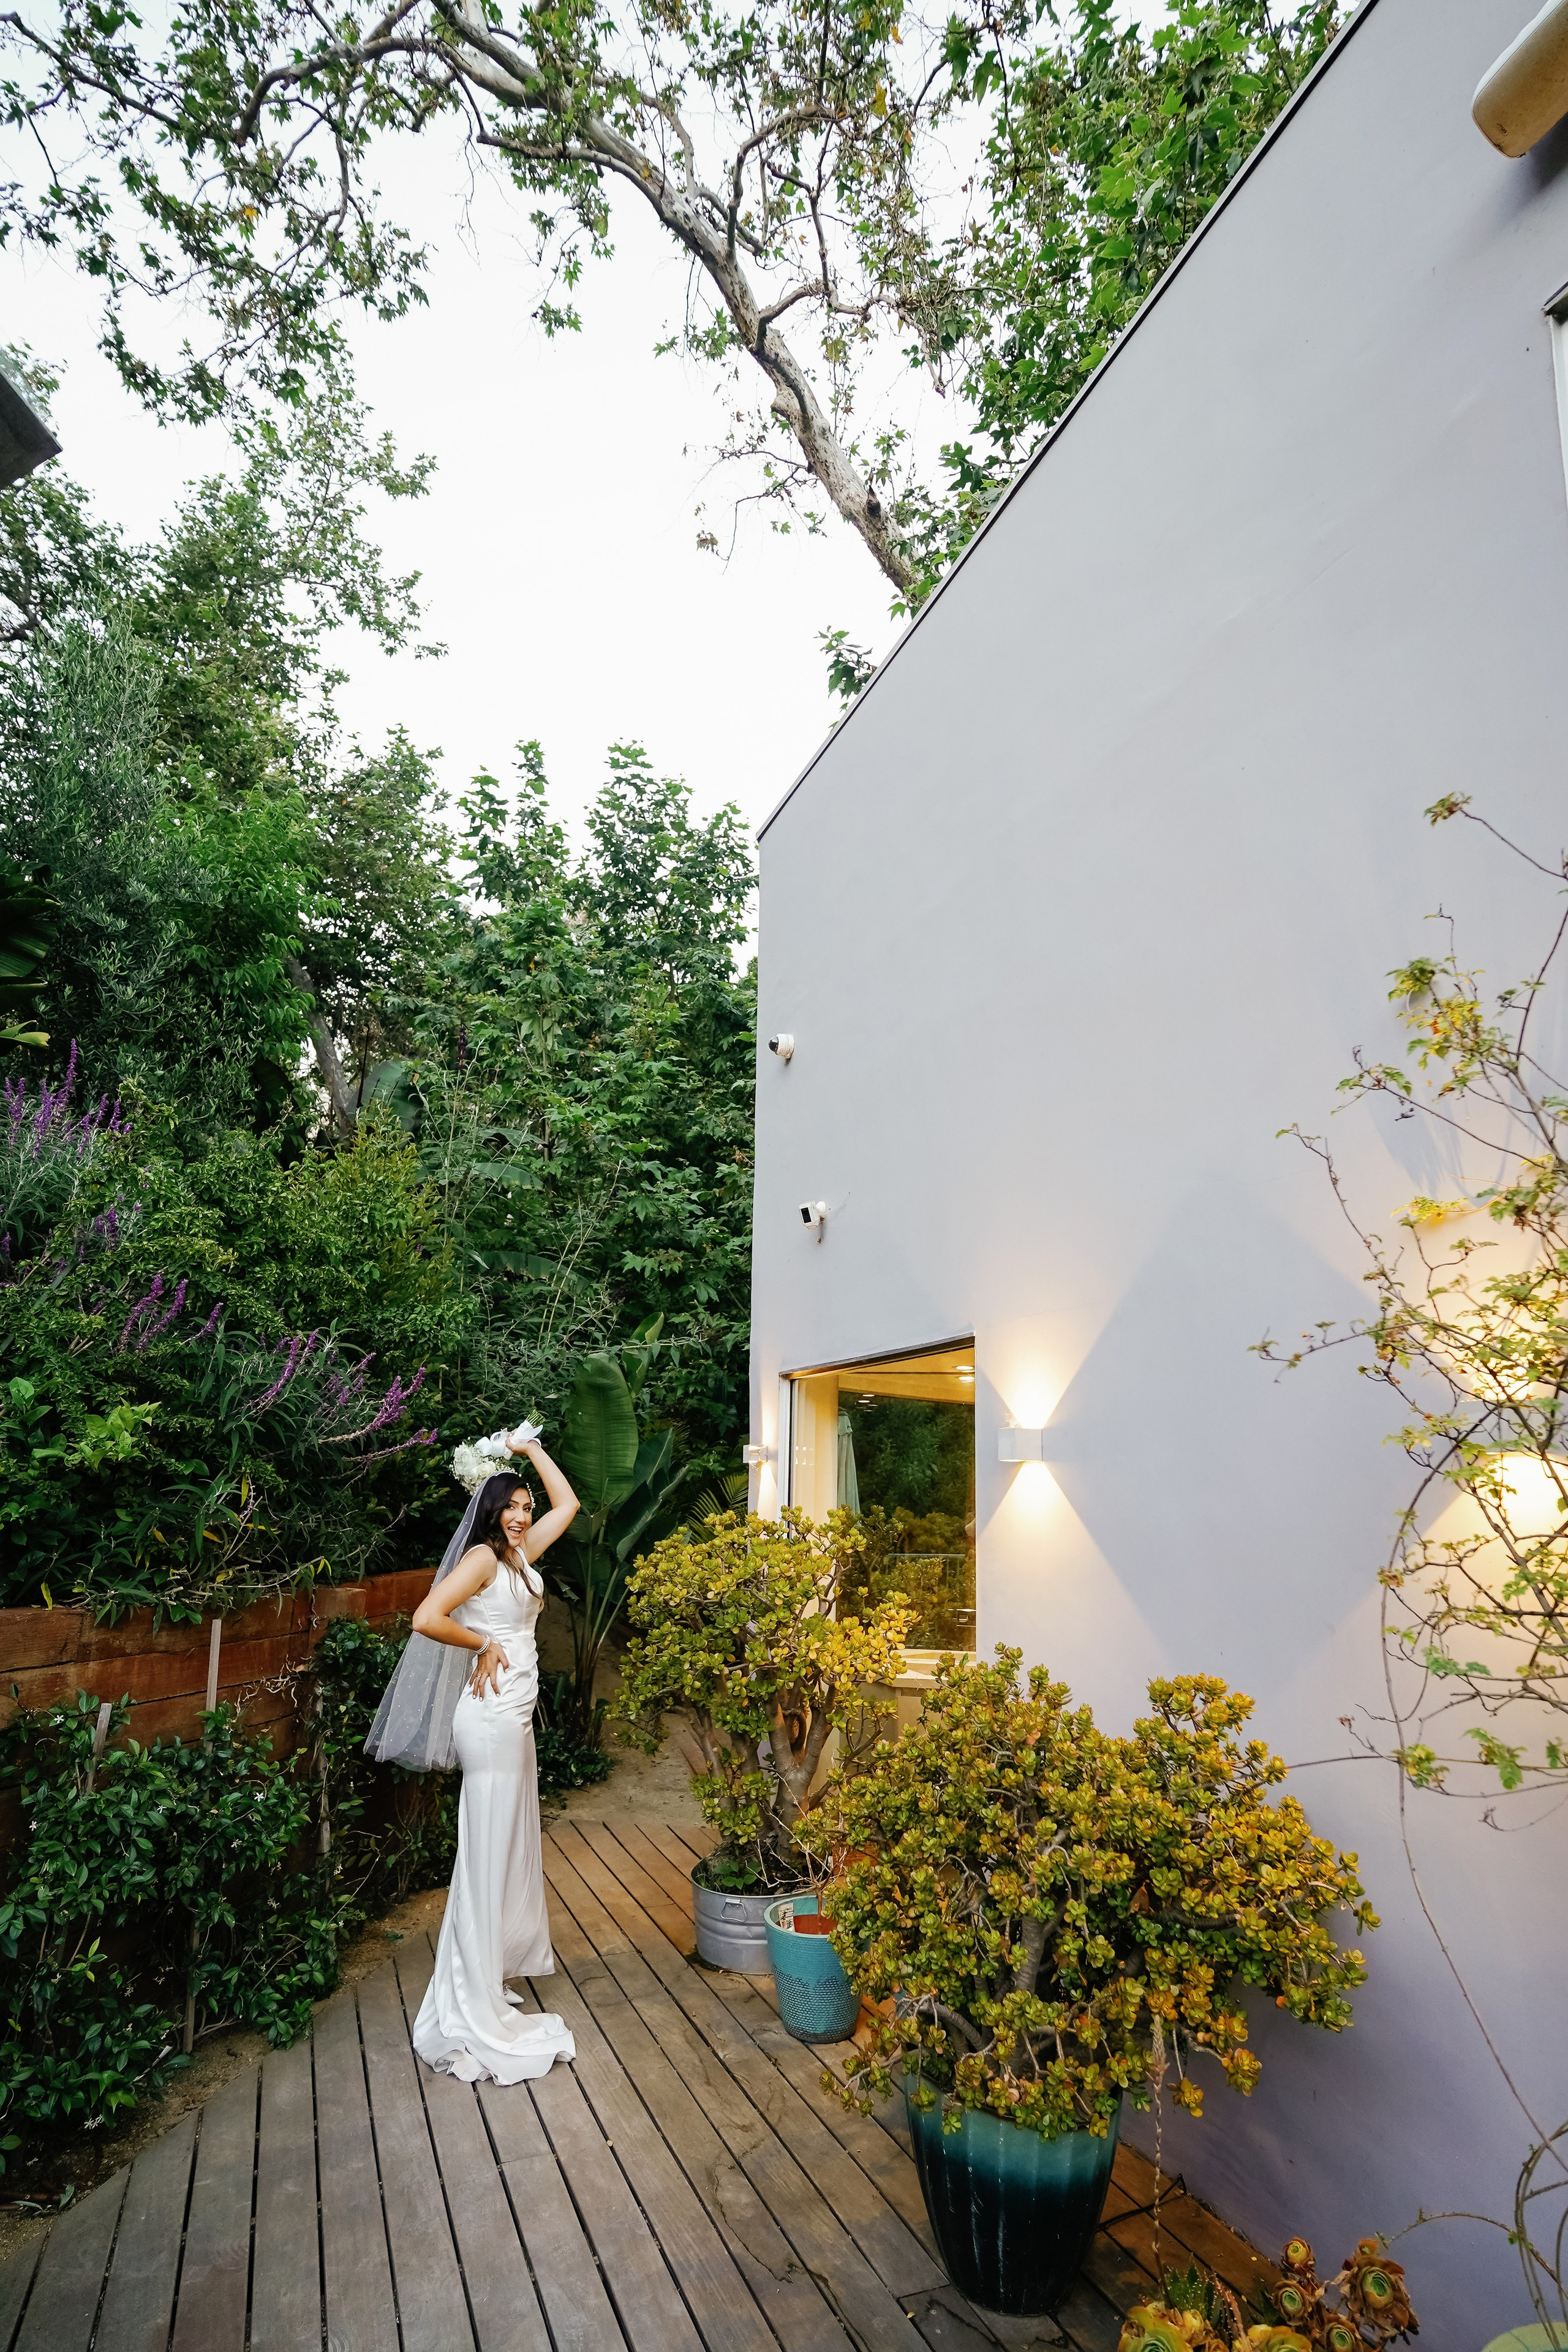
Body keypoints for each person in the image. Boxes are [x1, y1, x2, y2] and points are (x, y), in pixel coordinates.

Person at [405, 1430, 580, 2083]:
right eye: (512, 1506)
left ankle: (484, 1970)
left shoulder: (520, 1557)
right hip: (490, 1717)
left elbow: (570, 1506)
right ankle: (468, 1993)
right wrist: (481, 1643)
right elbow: (426, 1617)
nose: (523, 1516)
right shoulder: (482, 1558)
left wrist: (529, 1449)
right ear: (490, 1509)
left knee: (503, 1847)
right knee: (485, 1850)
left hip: (515, 1717)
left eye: (526, 1507)